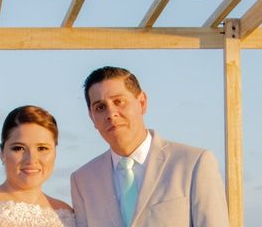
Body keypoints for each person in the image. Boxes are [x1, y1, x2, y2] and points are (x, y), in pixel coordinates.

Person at [71, 66, 230, 227]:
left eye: (119, 101)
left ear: (142, 102)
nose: (111, 114)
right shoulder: (83, 180)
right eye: (100, 107)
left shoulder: (194, 163)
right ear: (91, 117)